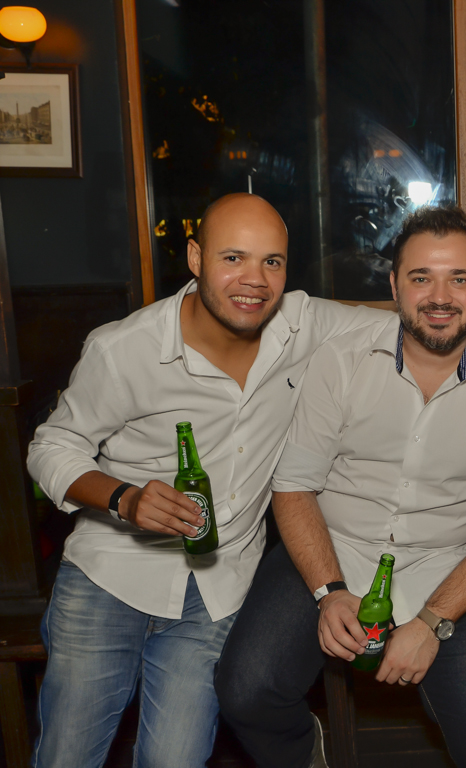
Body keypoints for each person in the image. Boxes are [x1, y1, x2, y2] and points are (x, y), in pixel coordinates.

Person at [25, 193, 386, 768]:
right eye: (233, 258)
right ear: (195, 258)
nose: (254, 280)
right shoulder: (124, 349)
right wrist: (124, 499)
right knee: (67, 756)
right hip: (109, 576)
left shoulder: (304, 325)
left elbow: (413, 323)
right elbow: (51, 447)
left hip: (217, 588)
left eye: (272, 261)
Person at [215, 206, 466, 768]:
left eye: (459, 279)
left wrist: (432, 623)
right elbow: (293, 486)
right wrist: (328, 591)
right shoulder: (340, 361)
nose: (439, 297)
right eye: (421, 278)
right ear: (394, 286)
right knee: (245, 690)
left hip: (442, 568)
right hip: (331, 545)